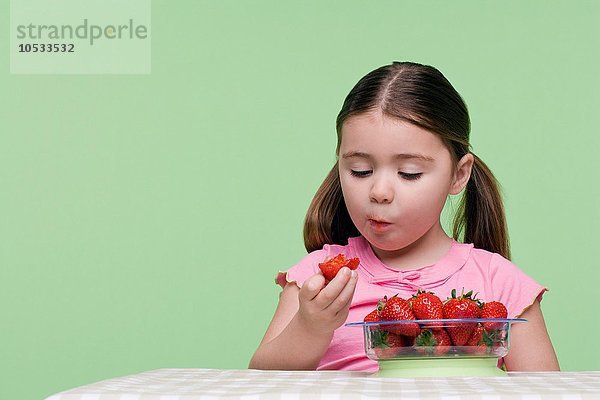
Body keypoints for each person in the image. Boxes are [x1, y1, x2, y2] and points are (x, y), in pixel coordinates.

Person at [248, 61, 560, 372]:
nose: (379, 191)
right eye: (360, 170)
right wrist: (310, 326)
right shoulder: (317, 278)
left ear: (459, 174)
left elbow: (545, 390)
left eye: (409, 173)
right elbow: (261, 381)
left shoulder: (499, 282)